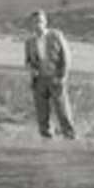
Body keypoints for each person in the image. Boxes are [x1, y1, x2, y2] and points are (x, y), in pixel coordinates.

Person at [24, 10, 76, 139]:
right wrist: (31, 69)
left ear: (45, 22)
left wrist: (63, 76)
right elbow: (27, 61)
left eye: (40, 21)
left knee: (62, 110)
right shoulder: (29, 41)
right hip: (39, 80)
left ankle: (70, 136)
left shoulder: (56, 35)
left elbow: (66, 56)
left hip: (55, 78)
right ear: (31, 24)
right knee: (42, 114)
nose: (38, 24)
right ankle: (46, 138)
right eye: (35, 22)